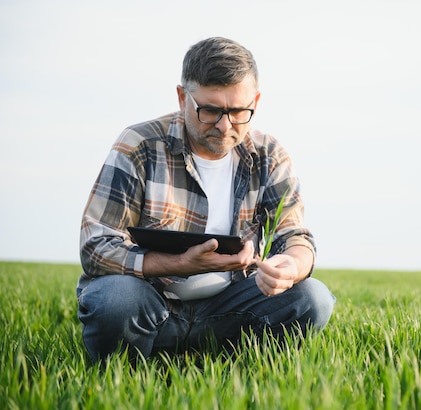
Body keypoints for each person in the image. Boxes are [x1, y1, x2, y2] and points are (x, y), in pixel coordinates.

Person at [76, 36, 335, 363]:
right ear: (182, 97)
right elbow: (96, 245)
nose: (225, 125)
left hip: (230, 306)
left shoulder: (270, 154)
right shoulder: (139, 144)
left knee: (313, 298)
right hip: (152, 302)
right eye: (210, 110)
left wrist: (292, 266)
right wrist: (178, 264)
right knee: (117, 300)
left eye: (239, 111)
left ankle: (234, 365)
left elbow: (294, 235)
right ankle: (130, 369)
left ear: (255, 100)